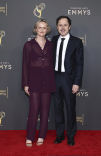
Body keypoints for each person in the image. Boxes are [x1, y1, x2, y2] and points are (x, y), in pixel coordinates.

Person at [22, 19, 56, 147]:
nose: (42, 30)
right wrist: (26, 84)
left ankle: (42, 135)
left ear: (47, 30)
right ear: (36, 29)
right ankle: (30, 136)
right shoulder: (28, 45)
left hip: (48, 81)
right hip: (34, 82)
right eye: (39, 27)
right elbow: (25, 65)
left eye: (44, 28)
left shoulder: (51, 45)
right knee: (34, 109)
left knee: (45, 110)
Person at [52, 16, 83, 146]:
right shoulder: (53, 40)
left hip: (69, 79)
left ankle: (70, 136)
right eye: (60, 25)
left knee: (70, 109)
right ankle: (60, 135)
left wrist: (76, 83)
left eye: (65, 25)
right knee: (58, 109)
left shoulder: (76, 42)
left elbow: (79, 64)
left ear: (69, 26)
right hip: (55, 78)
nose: (63, 27)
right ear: (57, 27)